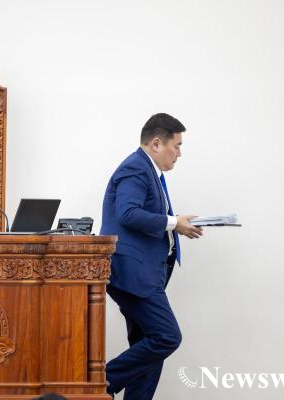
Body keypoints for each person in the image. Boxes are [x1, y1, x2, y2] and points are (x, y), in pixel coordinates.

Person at [100, 113, 203, 399]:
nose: (179, 153)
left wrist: (176, 224)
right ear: (156, 144)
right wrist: (173, 222)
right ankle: (99, 383)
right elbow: (128, 213)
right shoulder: (135, 168)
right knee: (167, 337)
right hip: (133, 275)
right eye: (177, 146)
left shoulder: (149, 172)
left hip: (144, 275)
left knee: (148, 345)